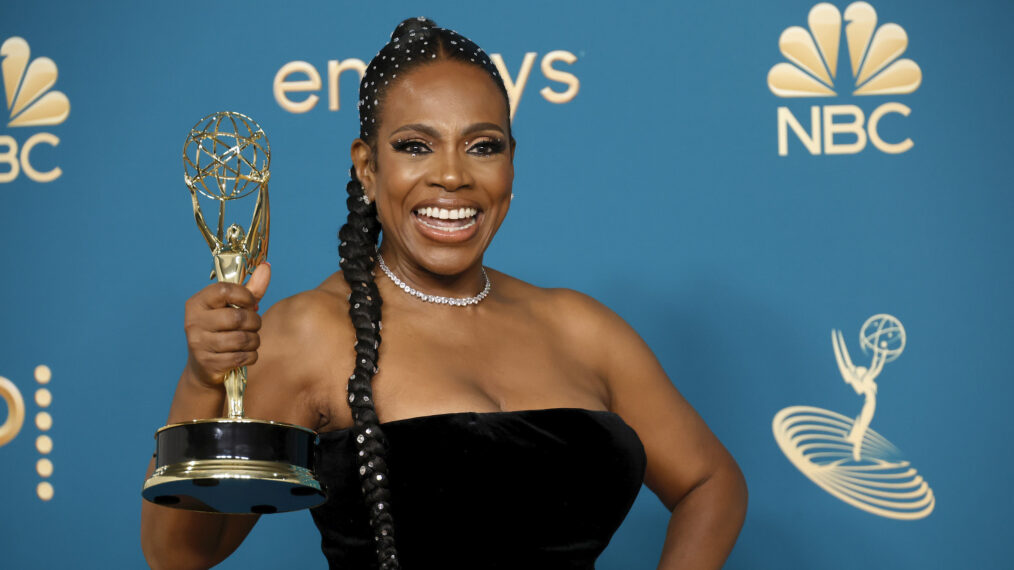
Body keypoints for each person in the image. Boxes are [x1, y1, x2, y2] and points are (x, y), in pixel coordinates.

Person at [141, 17, 747, 570]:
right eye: (415, 145)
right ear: (367, 167)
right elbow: (180, 556)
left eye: (483, 146)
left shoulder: (582, 327)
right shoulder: (308, 333)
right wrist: (202, 382)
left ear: (512, 162)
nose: (453, 175)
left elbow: (711, 482)